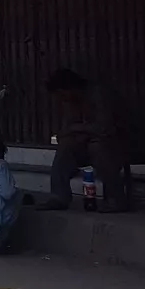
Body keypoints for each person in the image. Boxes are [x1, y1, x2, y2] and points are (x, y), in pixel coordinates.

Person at [45, 68, 129, 211]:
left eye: (62, 94)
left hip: (120, 143)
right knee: (66, 147)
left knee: (98, 148)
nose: (61, 99)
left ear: (70, 88)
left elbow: (105, 128)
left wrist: (78, 130)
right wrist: (74, 134)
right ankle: (58, 196)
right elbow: (66, 130)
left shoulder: (99, 95)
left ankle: (115, 198)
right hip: (88, 143)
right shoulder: (70, 103)